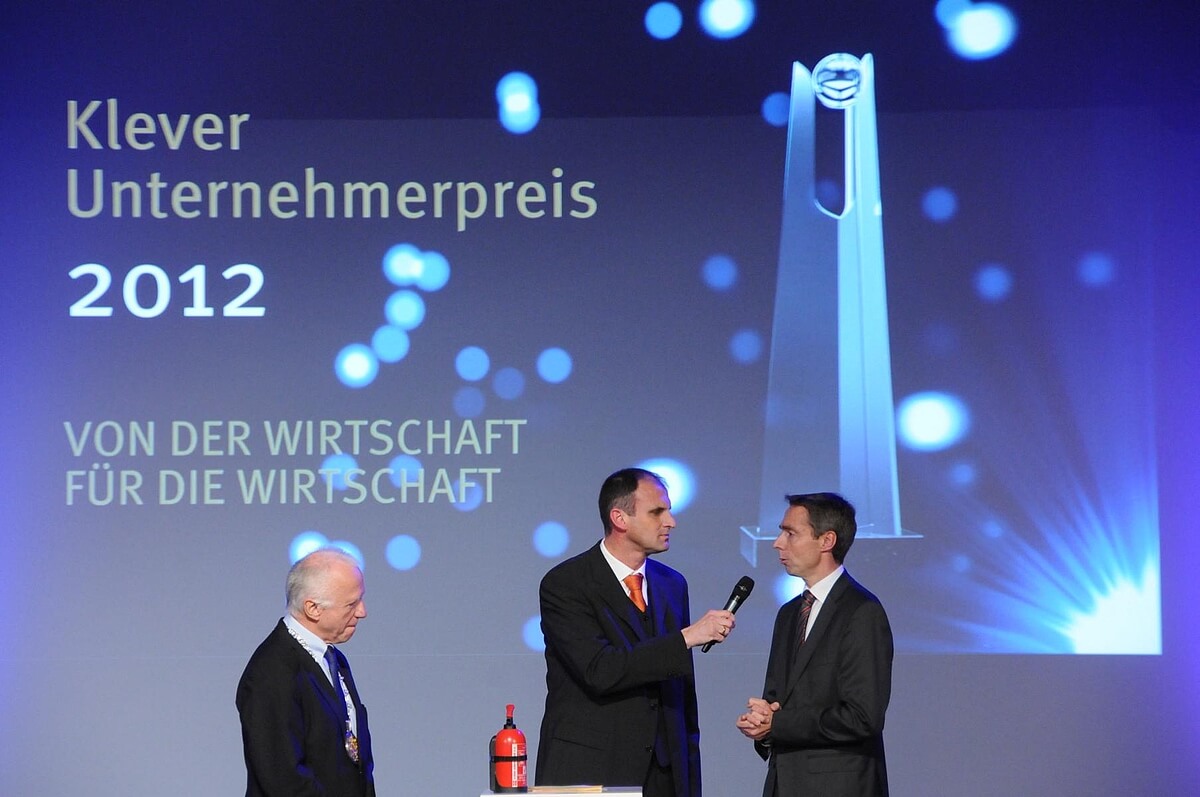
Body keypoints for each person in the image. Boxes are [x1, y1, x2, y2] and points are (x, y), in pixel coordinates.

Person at [535, 467, 736, 797]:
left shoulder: (672, 584)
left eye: (669, 511)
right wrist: (686, 638)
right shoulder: (566, 583)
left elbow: (682, 693)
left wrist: (687, 774)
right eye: (657, 512)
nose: (671, 522)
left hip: (664, 775)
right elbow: (600, 670)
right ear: (620, 518)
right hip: (591, 772)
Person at [736, 492, 893, 797]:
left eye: (790, 533)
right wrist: (763, 725)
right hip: (784, 784)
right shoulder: (789, 613)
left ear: (826, 540)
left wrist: (778, 724)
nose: (777, 543)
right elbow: (778, 701)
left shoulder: (862, 611)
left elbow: (863, 717)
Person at [236, 547, 376, 796]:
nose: (362, 612)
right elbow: (284, 780)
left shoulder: (334, 660)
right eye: (351, 604)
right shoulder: (271, 672)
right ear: (313, 609)